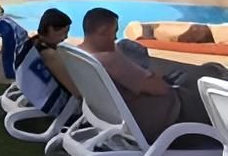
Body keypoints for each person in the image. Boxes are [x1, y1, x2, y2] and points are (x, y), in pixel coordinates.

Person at [79, 7, 228, 141]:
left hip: (119, 117)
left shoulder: (78, 55)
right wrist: (148, 73)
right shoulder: (109, 60)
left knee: (202, 72)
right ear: (103, 31)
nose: (116, 38)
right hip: (167, 115)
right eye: (114, 33)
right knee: (211, 81)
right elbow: (160, 88)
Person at [27, 8, 80, 98]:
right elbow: (75, 91)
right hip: (60, 102)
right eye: (64, 32)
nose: (66, 37)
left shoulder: (34, 42)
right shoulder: (48, 54)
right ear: (50, 29)